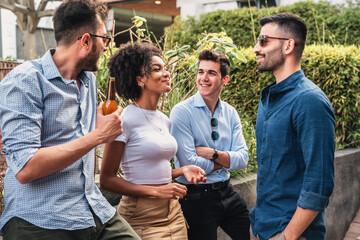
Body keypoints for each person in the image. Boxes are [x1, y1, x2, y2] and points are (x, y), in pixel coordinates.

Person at [0, 1, 140, 239]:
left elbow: (79, 138)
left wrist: (99, 127)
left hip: (91, 209)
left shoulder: (88, 81)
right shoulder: (24, 81)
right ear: (86, 41)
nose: (107, 47)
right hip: (39, 219)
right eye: (104, 39)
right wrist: (98, 136)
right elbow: (26, 168)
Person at [100, 41, 207, 240]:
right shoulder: (124, 119)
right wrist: (156, 192)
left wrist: (181, 171)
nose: (166, 73)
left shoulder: (164, 120)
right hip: (142, 214)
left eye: (165, 68)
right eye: (157, 69)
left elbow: (151, 170)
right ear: (140, 79)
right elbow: (106, 179)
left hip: (173, 211)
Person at [250, 13, 335, 240]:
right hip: (263, 226)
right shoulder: (268, 97)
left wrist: (287, 236)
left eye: (263, 41)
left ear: (288, 45)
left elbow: (319, 183)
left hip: (293, 233)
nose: (255, 48)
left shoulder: (309, 101)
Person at [170, 50, 250, 240]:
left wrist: (212, 154)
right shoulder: (181, 112)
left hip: (227, 192)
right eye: (200, 72)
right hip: (195, 198)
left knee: (254, 235)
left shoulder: (230, 113)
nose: (203, 78)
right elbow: (188, 162)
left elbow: (243, 159)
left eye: (211, 73)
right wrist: (226, 159)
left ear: (225, 80)